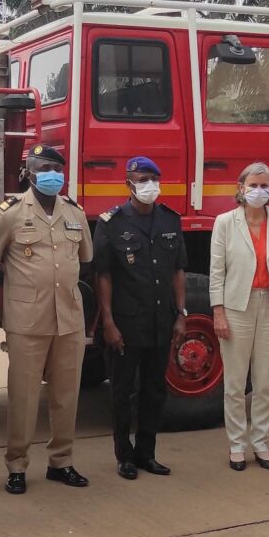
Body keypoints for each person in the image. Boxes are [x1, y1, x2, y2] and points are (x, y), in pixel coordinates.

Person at [0, 144, 93, 494]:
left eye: (56, 169)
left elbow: (85, 256)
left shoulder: (75, 212)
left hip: (70, 318)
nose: (52, 174)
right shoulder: (11, 212)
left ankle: (62, 461)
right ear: (29, 172)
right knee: (24, 396)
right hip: (27, 319)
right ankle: (17, 464)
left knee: (66, 395)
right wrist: (12, 283)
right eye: (44, 168)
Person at [93, 156, 187, 480]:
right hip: (127, 322)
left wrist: (182, 314)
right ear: (129, 184)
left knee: (154, 391)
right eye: (142, 179)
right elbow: (103, 275)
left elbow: (178, 270)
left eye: (153, 178)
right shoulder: (112, 222)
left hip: (162, 321)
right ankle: (125, 456)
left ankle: (147, 453)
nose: (149, 185)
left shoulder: (170, 220)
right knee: (121, 391)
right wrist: (108, 322)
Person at [209, 163, 269, 471]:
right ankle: (237, 444)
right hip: (237, 308)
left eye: (265, 185)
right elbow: (217, 271)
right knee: (234, 383)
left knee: (264, 383)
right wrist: (218, 312)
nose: (259, 190)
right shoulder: (225, 223)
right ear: (241, 187)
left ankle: (260, 442)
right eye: (254, 184)